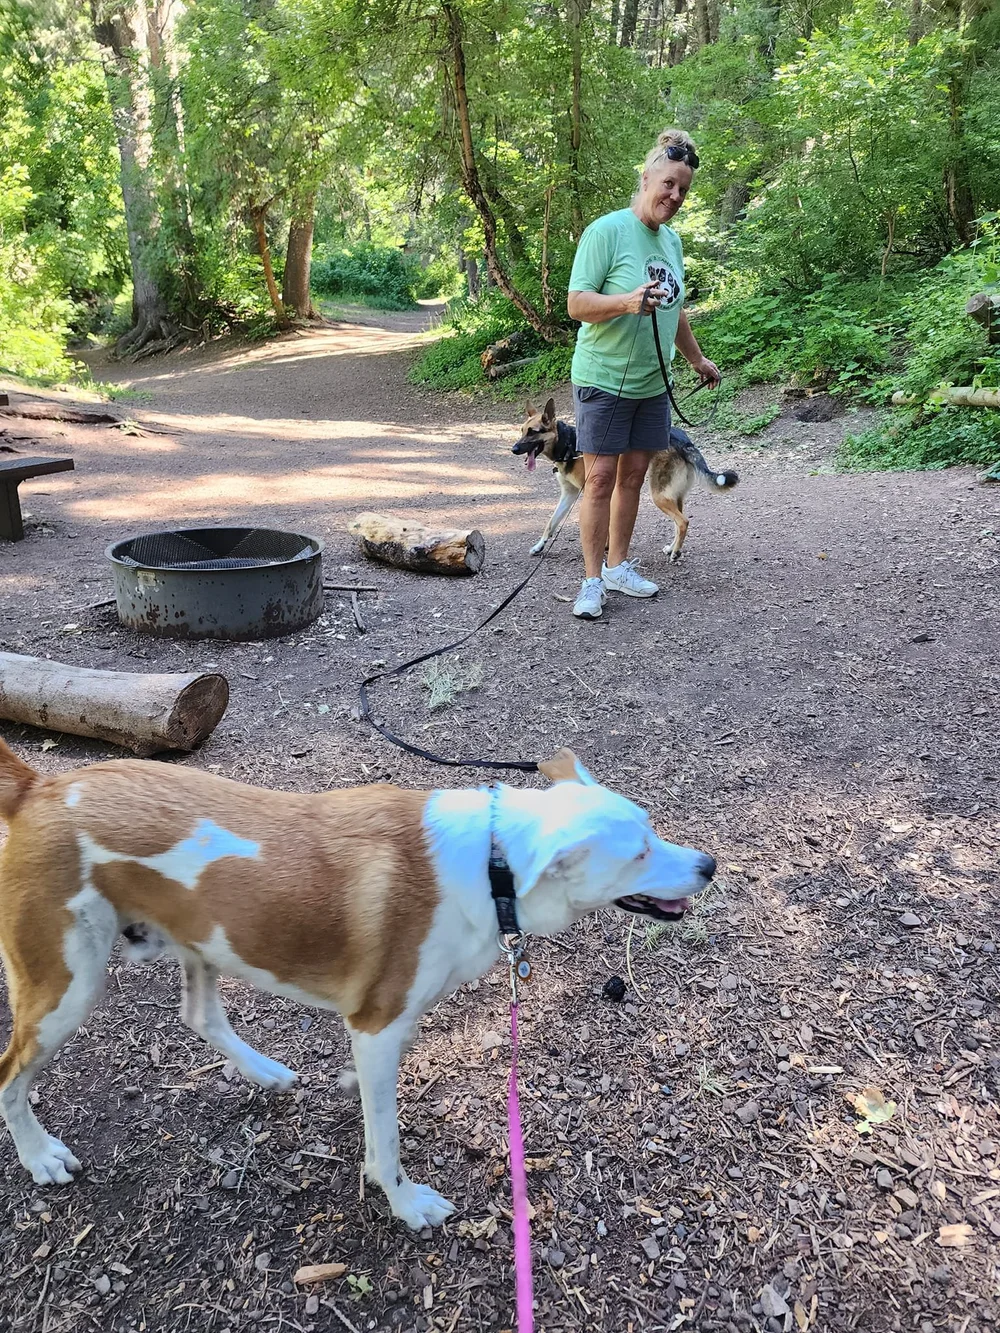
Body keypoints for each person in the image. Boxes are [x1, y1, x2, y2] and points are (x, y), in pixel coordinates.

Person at [566, 128, 721, 620]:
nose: (674, 196)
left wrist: (696, 358)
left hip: (653, 385)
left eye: (683, 191)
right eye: (669, 184)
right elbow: (577, 304)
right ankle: (591, 582)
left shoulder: (672, 242)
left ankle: (617, 566)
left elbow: (675, 310)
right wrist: (625, 302)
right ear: (647, 176)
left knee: (633, 476)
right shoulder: (606, 231)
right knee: (600, 479)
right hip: (603, 379)